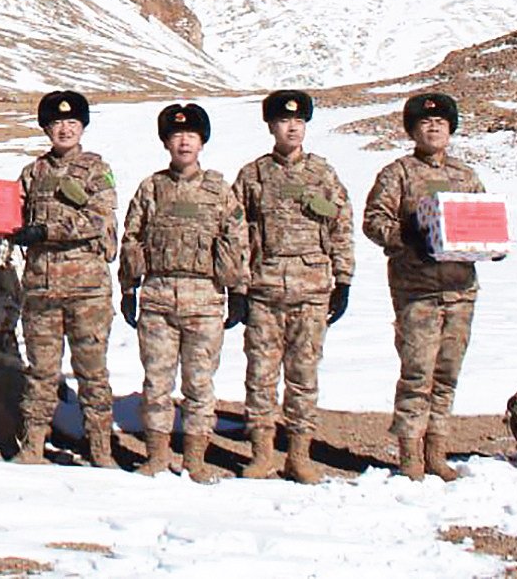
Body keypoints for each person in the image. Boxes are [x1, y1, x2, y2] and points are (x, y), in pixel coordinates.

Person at [230, 89, 354, 483]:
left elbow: (341, 225)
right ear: (271, 126)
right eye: (284, 121)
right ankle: (262, 454)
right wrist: (239, 287)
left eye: (299, 120)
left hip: (312, 291)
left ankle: (299, 455)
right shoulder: (252, 175)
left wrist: (344, 279)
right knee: (260, 377)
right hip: (264, 291)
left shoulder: (323, 174)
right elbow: (235, 233)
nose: (292, 127)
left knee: (304, 377)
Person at [361, 92, 487, 481]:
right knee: (417, 374)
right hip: (417, 291)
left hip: (460, 289)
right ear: (413, 130)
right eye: (425, 123)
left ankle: (437, 450)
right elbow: (373, 221)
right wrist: (407, 235)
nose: (434, 128)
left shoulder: (466, 176)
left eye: (441, 123)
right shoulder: (397, 173)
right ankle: (410, 454)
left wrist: (490, 244)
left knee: (447, 373)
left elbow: (482, 217)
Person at [119, 101, 246, 481]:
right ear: (166, 142)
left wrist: (238, 290)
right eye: (177, 135)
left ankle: (195, 459)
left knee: (199, 384)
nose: (184, 142)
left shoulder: (219, 190)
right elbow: (131, 238)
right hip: (157, 298)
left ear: (202, 142)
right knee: (156, 382)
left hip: (205, 299)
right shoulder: (151, 188)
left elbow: (237, 240)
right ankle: (157, 456)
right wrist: (129, 289)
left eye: (191, 135)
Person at [10, 90, 119, 468]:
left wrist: (47, 231)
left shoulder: (95, 170)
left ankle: (101, 449)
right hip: (41, 289)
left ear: (82, 126)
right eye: (56, 123)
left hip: (87, 290)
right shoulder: (32, 173)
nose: (64, 129)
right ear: (46, 129)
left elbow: (100, 220)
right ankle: (34, 445)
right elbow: (12, 217)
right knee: (41, 372)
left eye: (72, 122)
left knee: (92, 373)